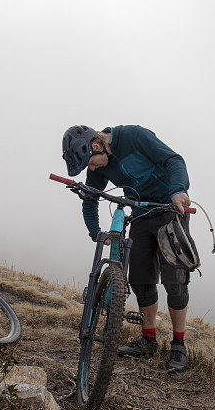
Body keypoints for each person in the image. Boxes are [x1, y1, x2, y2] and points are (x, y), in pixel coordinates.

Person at [61, 125, 193, 372]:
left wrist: (178, 190)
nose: (92, 169)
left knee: (175, 283)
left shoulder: (134, 136)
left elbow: (174, 160)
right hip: (141, 215)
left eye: (90, 163)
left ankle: (178, 344)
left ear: (97, 145)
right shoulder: (99, 165)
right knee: (142, 281)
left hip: (169, 210)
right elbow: (90, 200)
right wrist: (95, 232)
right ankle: (148, 339)